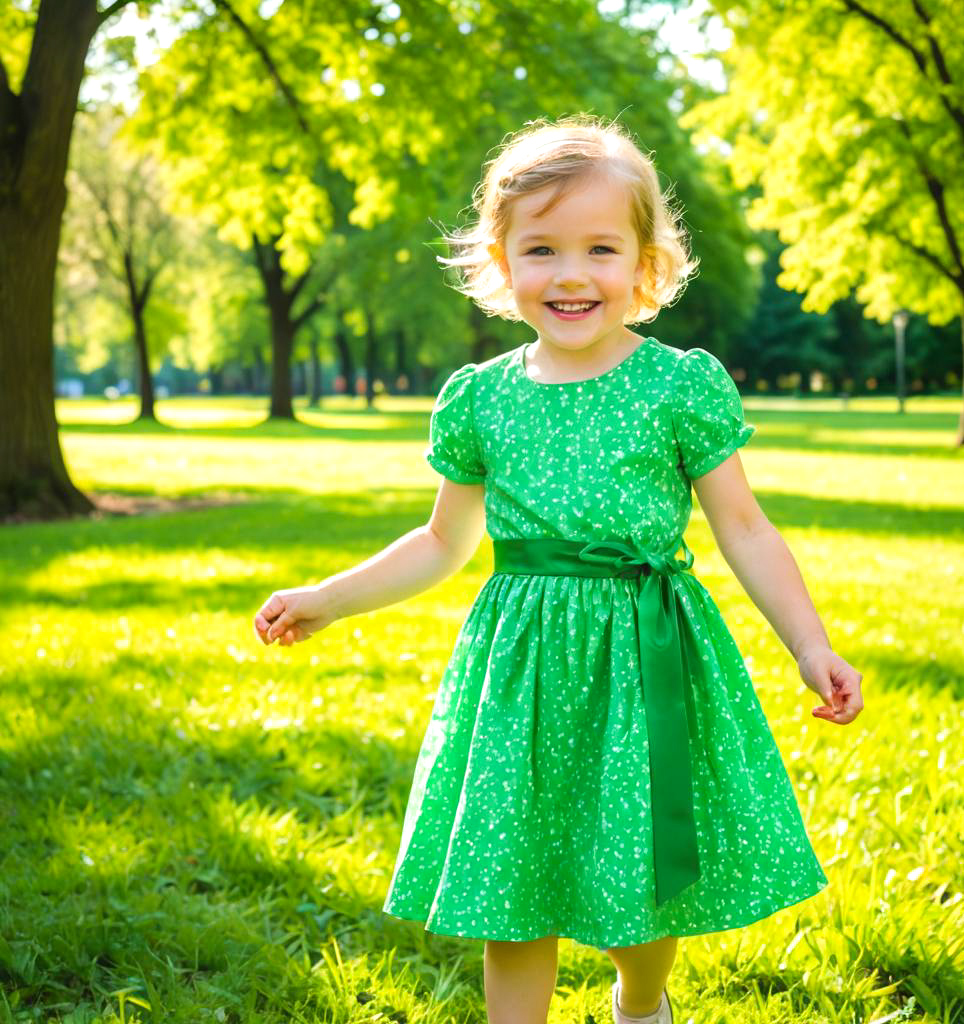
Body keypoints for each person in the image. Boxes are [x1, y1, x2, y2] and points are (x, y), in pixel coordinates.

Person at [253, 113, 865, 1024]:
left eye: (601, 249)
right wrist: (327, 599)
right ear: (502, 265)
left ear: (645, 265)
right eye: (540, 249)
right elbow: (441, 542)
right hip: (521, 674)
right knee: (514, 880)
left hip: (642, 660)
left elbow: (743, 528)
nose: (572, 274)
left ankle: (640, 1001)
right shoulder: (482, 400)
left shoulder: (677, 385)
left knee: (641, 868)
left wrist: (808, 645)